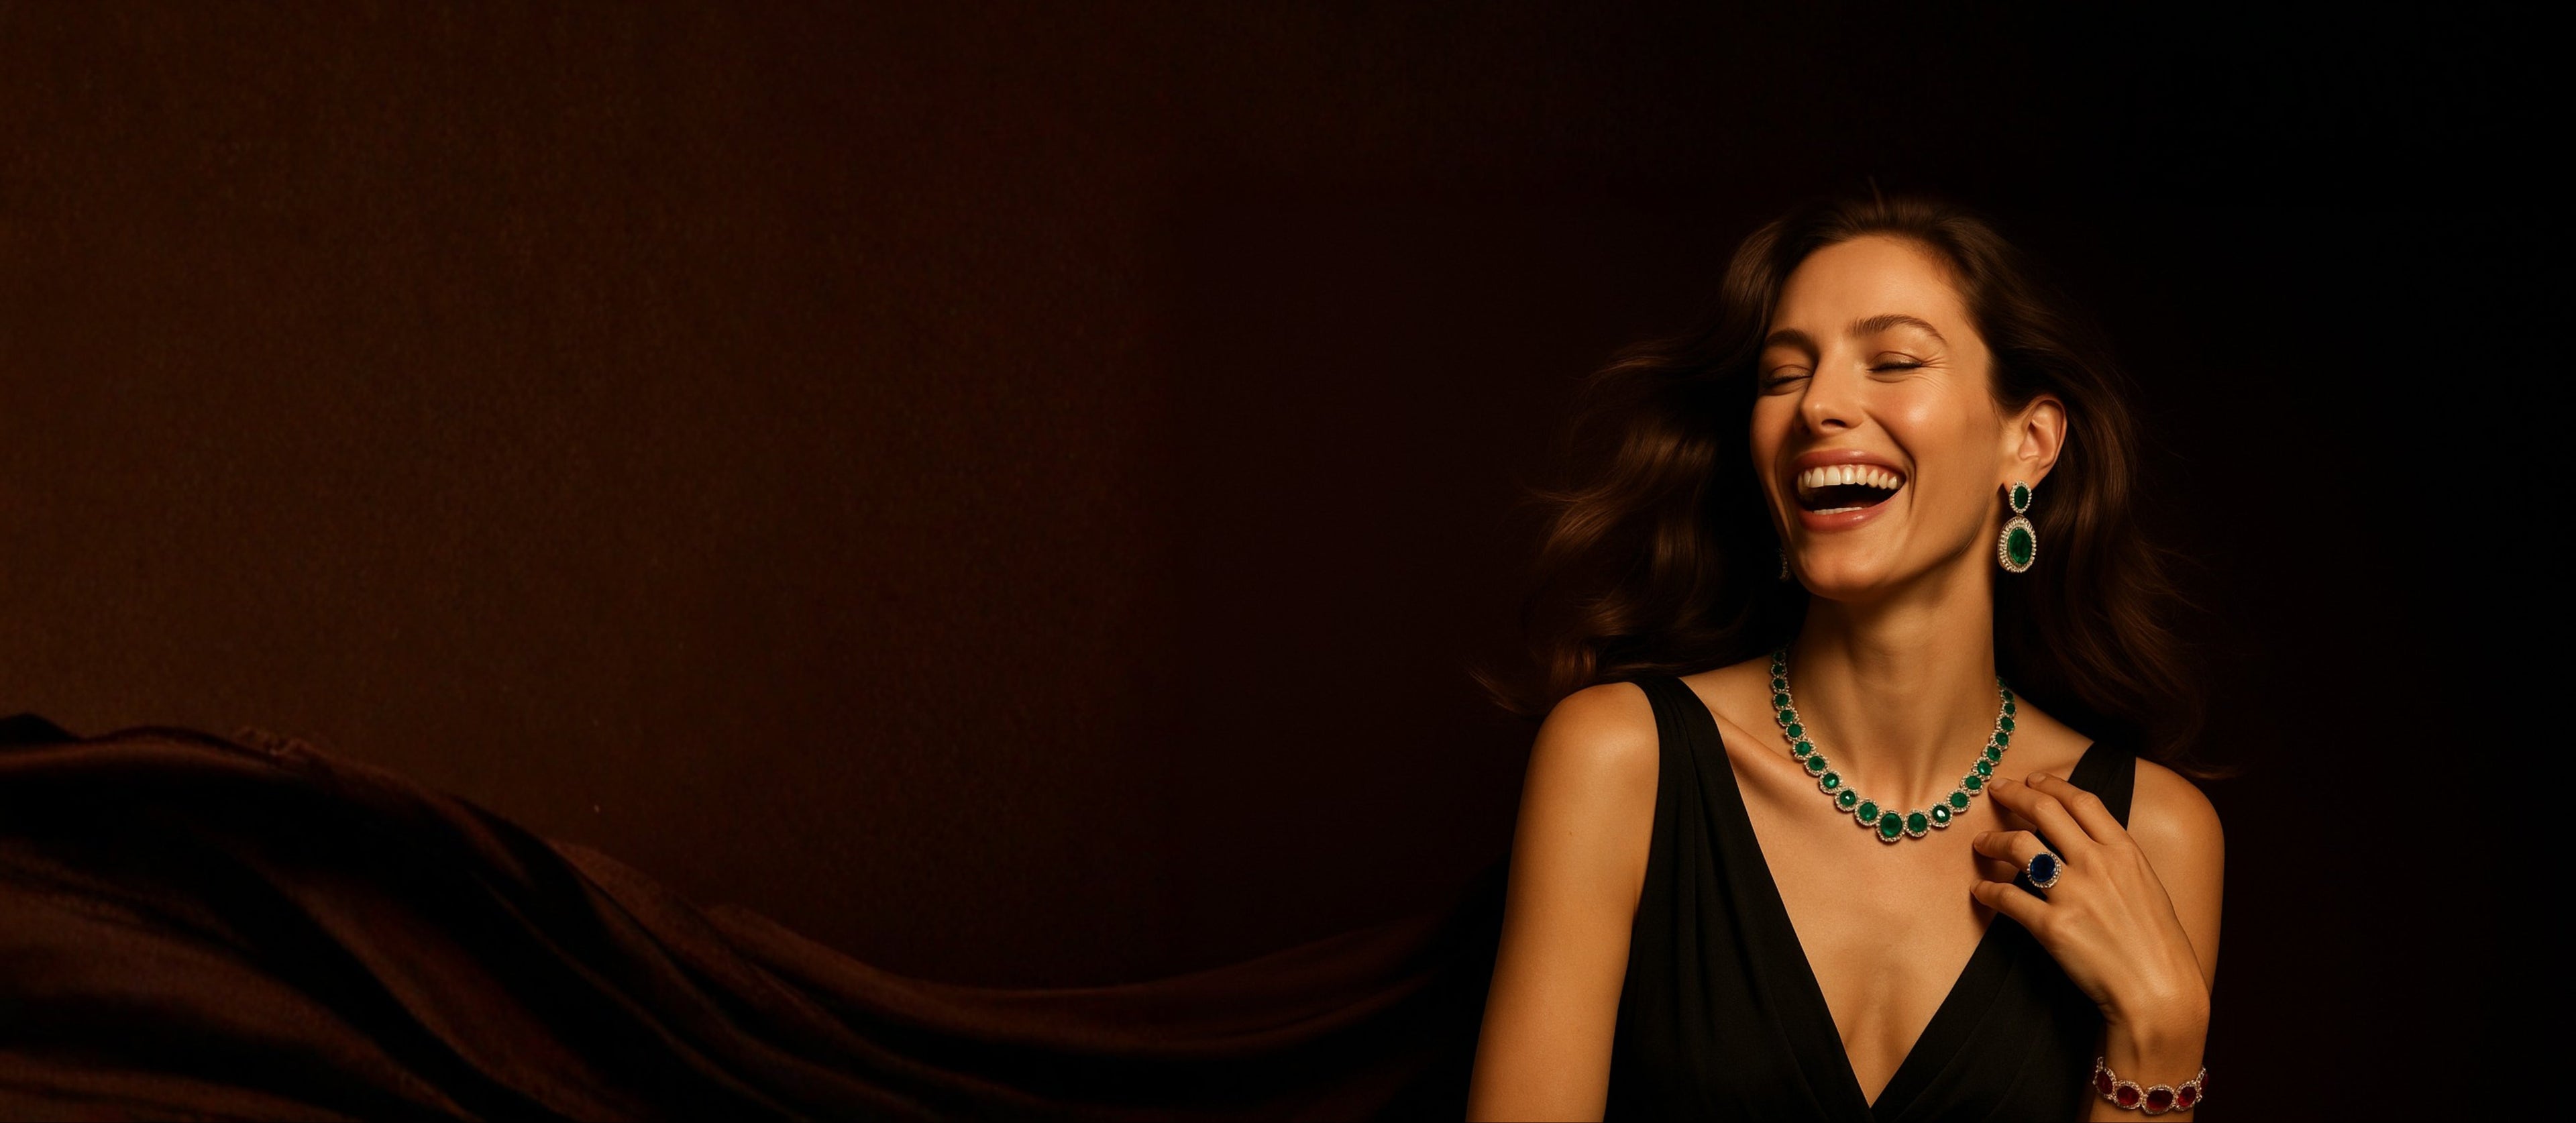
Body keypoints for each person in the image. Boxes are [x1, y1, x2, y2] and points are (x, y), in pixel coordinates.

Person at [1464, 191, 2224, 1120]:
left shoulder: (2156, 833)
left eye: (1894, 360)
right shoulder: (1621, 760)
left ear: (2027, 444)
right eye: (1784, 375)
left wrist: (2164, 1027)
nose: (1819, 404)